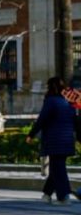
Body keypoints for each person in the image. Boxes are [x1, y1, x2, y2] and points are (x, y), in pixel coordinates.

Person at [27, 76, 76, 205]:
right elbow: (76, 122)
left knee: (58, 169)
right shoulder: (68, 103)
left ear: (51, 87)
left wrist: (31, 134)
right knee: (56, 168)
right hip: (67, 141)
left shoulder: (51, 101)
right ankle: (47, 194)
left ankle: (64, 197)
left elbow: (41, 120)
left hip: (55, 141)